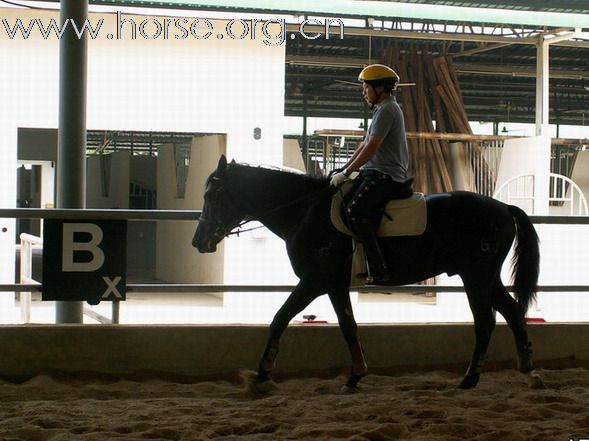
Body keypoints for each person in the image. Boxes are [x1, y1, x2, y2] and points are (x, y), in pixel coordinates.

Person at [330, 64, 413, 284]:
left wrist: (348, 172)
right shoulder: (381, 110)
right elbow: (364, 144)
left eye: (366, 87)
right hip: (375, 171)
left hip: (387, 174)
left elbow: (371, 148)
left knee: (355, 210)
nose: (363, 92)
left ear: (380, 88)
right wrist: (344, 170)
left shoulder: (388, 110)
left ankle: (378, 268)